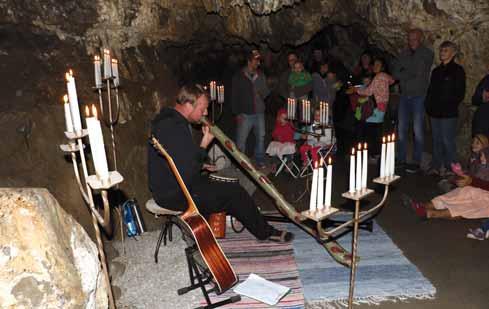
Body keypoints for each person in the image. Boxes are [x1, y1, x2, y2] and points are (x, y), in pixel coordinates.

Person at [148, 84, 293, 242]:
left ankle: (219, 224)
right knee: (235, 193)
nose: (205, 113)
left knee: (225, 184)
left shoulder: (170, 121)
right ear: (188, 105)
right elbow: (186, 171)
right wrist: (204, 144)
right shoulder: (173, 127)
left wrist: (201, 165)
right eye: (202, 108)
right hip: (174, 193)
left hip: (174, 185)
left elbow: (176, 162)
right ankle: (265, 232)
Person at [406, 134, 489, 220]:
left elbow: (477, 181)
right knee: (460, 193)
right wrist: (460, 177)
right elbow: (471, 177)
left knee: (466, 207)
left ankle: (432, 213)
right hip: (475, 190)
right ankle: (424, 206)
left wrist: (471, 181)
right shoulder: (476, 161)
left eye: (477, 143)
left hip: (485, 197)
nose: (473, 145)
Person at [393, 29, 434, 173]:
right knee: (401, 129)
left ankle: (417, 161)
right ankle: (401, 158)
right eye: (410, 39)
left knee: (418, 130)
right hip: (405, 95)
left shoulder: (427, 53)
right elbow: (395, 72)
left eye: (415, 39)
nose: (412, 42)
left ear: (420, 38)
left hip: (419, 95)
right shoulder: (403, 53)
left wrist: (405, 72)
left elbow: (420, 71)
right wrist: (409, 72)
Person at [425, 41, 466, 176]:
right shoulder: (436, 71)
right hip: (435, 112)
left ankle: (451, 168)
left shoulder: (458, 71)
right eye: (442, 50)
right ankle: (436, 165)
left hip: (448, 113)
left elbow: (460, 92)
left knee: (447, 141)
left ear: (453, 53)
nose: (442, 53)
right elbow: (431, 90)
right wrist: (429, 106)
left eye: (446, 50)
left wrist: (449, 105)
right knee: (436, 139)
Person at [231, 49, 271, 169]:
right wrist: (237, 113)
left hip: (259, 112)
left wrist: (262, 93)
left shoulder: (261, 75)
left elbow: (266, 92)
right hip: (245, 113)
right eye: (256, 61)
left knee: (261, 137)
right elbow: (234, 95)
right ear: (249, 61)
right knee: (241, 140)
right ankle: (240, 163)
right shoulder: (239, 76)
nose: (258, 63)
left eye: (259, 61)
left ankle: (259, 160)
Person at [354, 58, 395, 158]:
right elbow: (392, 81)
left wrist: (356, 90)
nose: (375, 66)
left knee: (371, 131)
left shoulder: (378, 77)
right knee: (376, 130)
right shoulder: (385, 76)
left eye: (378, 65)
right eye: (374, 64)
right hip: (383, 107)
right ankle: (375, 153)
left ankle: (373, 153)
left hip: (377, 107)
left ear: (382, 67)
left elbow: (369, 91)